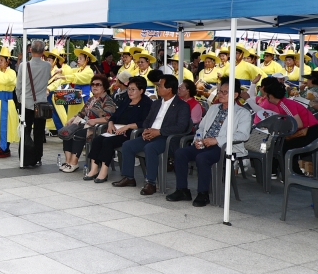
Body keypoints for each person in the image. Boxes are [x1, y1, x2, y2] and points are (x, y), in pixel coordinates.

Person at [167, 77, 252, 206]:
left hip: (224, 147)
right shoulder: (213, 108)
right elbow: (201, 127)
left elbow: (243, 135)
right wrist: (198, 139)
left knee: (202, 157)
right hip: (205, 143)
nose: (221, 94)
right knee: (180, 153)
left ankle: (203, 193)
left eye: (225, 92)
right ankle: (182, 190)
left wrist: (216, 140)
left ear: (235, 95)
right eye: (220, 91)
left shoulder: (243, 113)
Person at [112, 74, 191, 195]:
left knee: (150, 148)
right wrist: (146, 130)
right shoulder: (156, 103)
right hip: (151, 134)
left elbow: (181, 127)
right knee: (128, 145)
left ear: (169, 89)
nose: (157, 88)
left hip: (167, 138)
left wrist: (159, 132)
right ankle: (129, 177)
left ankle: (151, 183)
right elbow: (147, 121)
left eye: (160, 86)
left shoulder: (182, 106)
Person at [86, 77, 152, 182]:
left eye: (133, 89)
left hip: (131, 133)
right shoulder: (126, 101)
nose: (130, 92)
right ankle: (94, 169)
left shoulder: (146, 104)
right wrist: (111, 123)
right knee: (97, 139)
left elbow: (144, 123)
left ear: (141, 90)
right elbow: (114, 116)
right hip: (117, 131)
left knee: (108, 142)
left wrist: (127, 126)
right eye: (129, 89)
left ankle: (104, 171)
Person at [249, 77, 318, 176]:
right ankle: (281, 172)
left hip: (311, 131)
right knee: (279, 143)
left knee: (283, 146)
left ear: (271, 96)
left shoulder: (285, 105)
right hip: (306, 130)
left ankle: (293, 174)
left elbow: (298, 124)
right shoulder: (282, 104)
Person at [59, 73, 116, 173]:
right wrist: (72, 119)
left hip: (99, 128)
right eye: (93, 84)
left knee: (77, 134)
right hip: (87, 125)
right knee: (67, 131)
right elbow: (82, 113)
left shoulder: (108, 101)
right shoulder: (91, 99)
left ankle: (74, 162)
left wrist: (95, 121)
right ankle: (68, 161)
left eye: (98, 84)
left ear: (104, 87)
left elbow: (110, 118)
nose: (95, 86)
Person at [16, 39, 53, 168]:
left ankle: (25, 157)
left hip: (26, 102)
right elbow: (48, 79)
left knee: (25, 131)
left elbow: (19, 85)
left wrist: (20, 99)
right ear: (43, 52)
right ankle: (37, 157)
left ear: (30, 50)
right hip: (41, 103)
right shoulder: (47, 65)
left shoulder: (23, 65)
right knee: (39, 132)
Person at [62, 42, 98, 119]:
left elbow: (76, 77)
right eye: (78, 58)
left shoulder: (89, 71)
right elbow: (70, 71)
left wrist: (63, 77)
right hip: (76, 97)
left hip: (84, 97)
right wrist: (61, 71)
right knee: (72, 116)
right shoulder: (78, 69)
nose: (78, 60)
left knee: (81, 117)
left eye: (80, 58)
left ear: (87, 60)